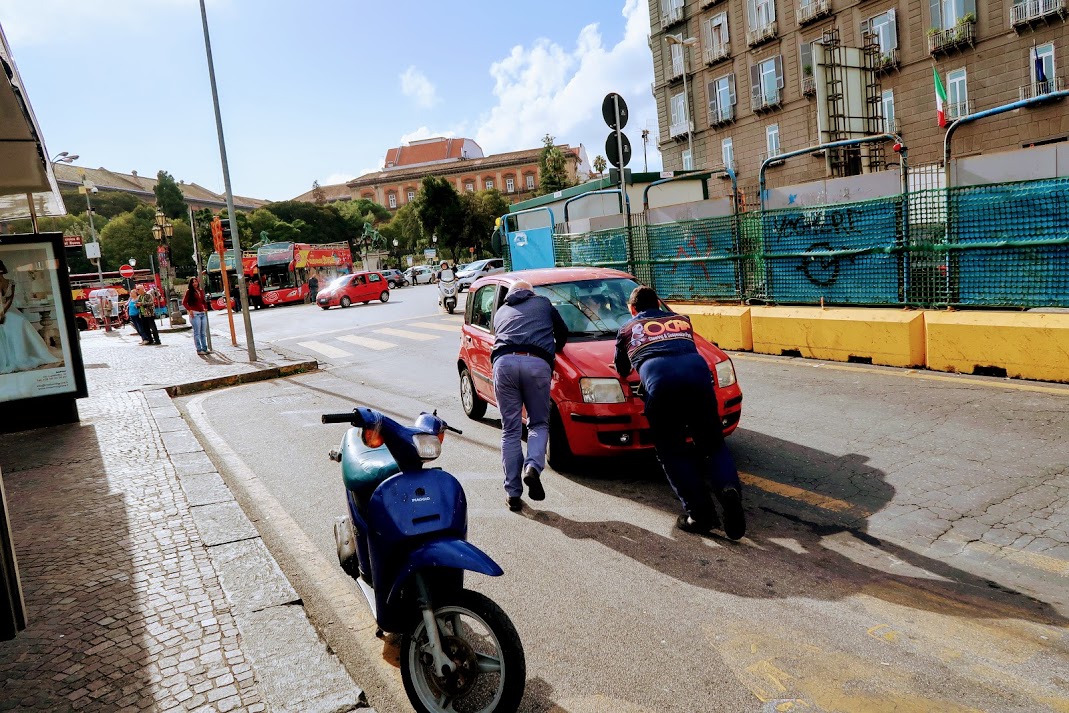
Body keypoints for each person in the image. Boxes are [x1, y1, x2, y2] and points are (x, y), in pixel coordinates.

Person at [614, 285, 746, 540]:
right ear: (659, 304)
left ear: (632, 309)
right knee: (713, 445)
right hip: (700, 381)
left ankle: (700, 514)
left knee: (672, 451)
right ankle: (728, 489)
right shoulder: (682, 321)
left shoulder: (627, 329)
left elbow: (621, 367)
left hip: (662, 389)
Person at [491, 280, 568, 512]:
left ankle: (513, 494)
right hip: (536, 365)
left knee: (510, 430)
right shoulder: (543, 303)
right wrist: (553, 350)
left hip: (503, 364)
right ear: (530, 293)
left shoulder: (501, 311)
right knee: (538, 423)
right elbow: (561, 332)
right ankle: (533, 467)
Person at [0, 259, 61, 374]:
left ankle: (21, 355)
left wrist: (3, 311)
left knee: (19, 321)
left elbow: (9, 299)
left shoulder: (11, 282)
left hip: (6, 309)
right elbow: (7, 299)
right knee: (14, 323)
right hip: (4, 309)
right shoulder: (8, 282)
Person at [183, 276, 210, 355]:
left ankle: (204, 348)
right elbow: (184, 302)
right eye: (193, 282)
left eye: (196, 282)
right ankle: (199, 349)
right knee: (197, 332)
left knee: (203, 332)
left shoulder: (200, 291)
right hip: (195, 313)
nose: (195, 283)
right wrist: (190, 309)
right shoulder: (189, 292)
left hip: (202, 313)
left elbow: (203, 301)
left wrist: (205, 308)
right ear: (191, 284)